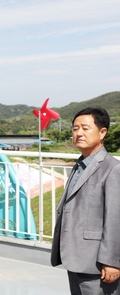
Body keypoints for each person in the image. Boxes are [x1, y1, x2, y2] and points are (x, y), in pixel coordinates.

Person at [51, 107, 120, 294]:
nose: (78, 133)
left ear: (103, 132)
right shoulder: (80, 165)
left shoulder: (112, 169)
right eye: (75, 128)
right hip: (76, 258)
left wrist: (112, 262)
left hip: (97, 265)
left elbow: (115, 219)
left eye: (85, 128)